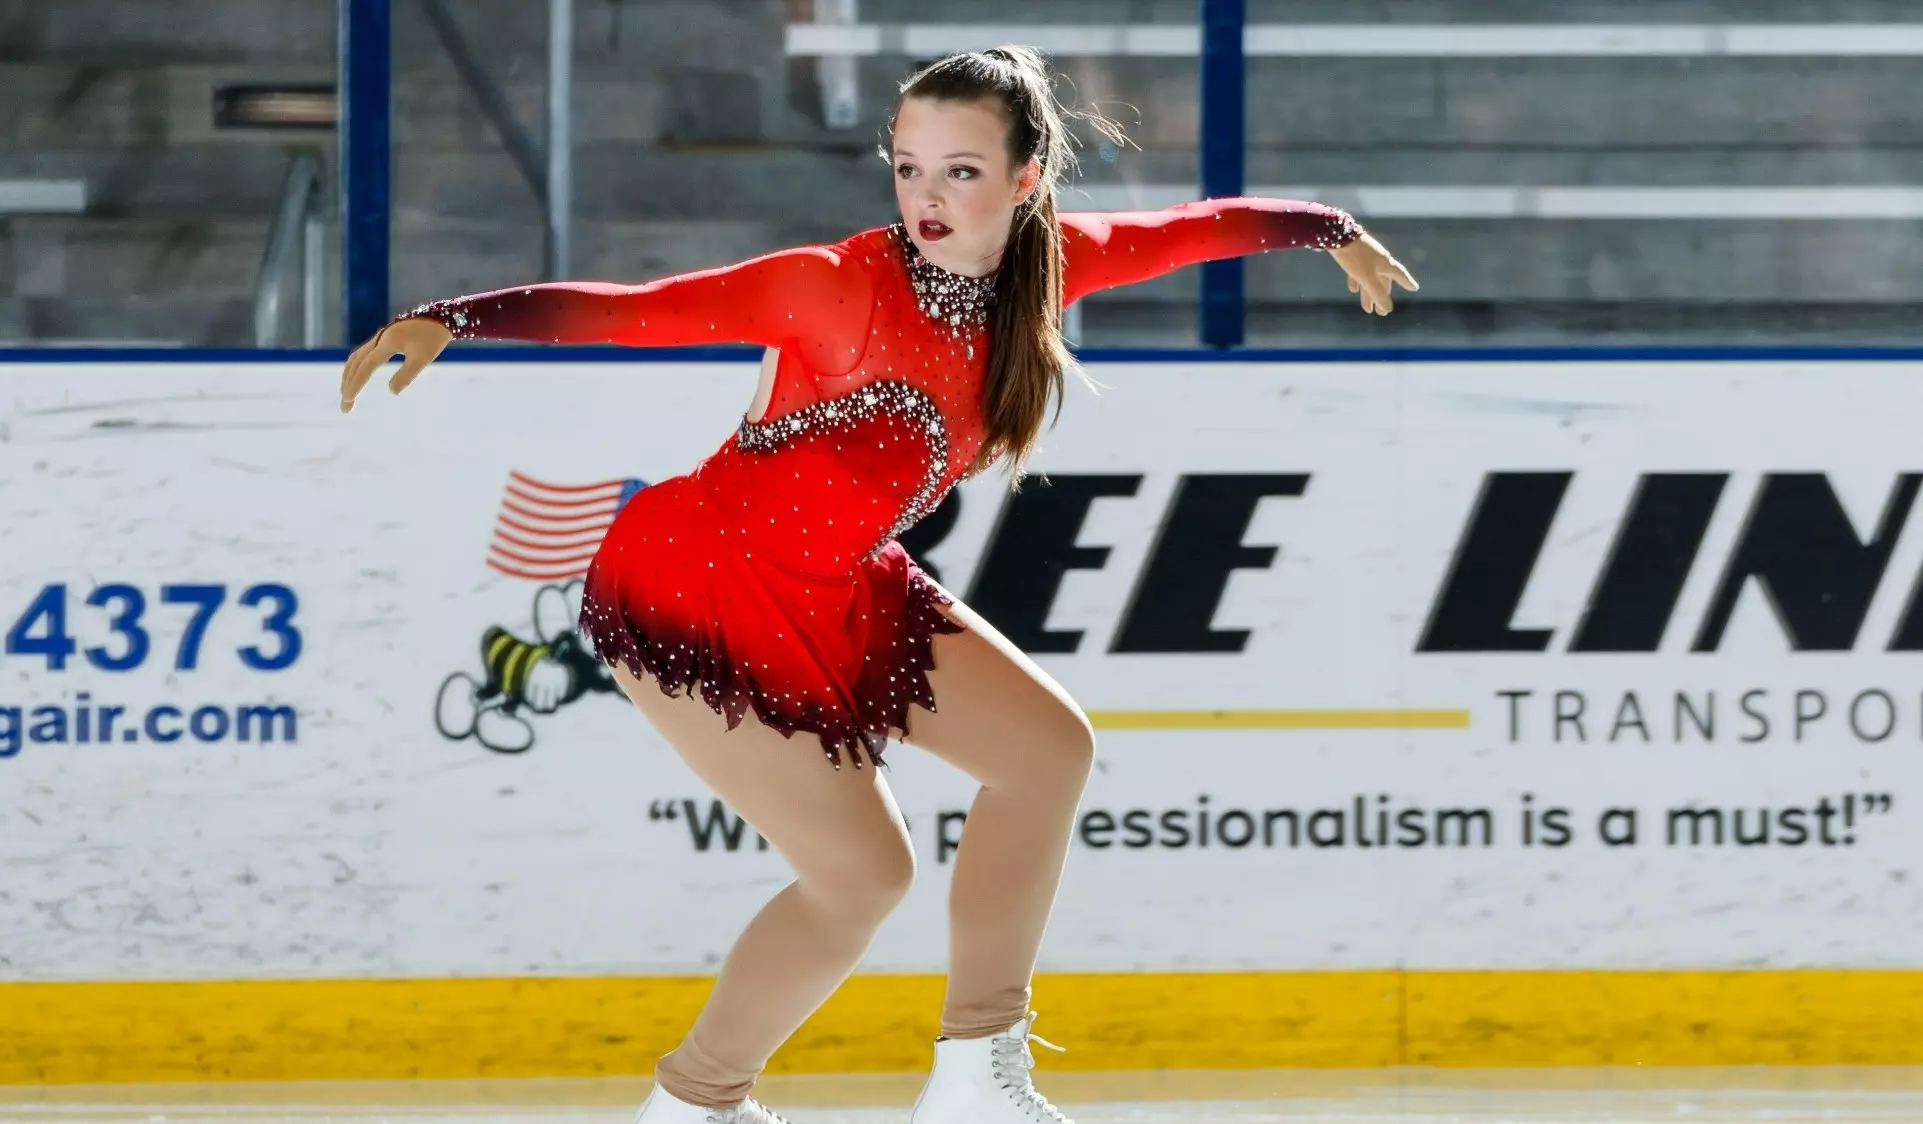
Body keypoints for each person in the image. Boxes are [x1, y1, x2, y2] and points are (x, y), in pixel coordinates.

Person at [339, 44, 1416, 1124]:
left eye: (959, 169)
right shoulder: (836, 284)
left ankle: (976, 1073)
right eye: (908, 167)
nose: (926, 196)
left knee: (1047, 752)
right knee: (862, 876)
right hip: (705, 580)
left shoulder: (1049, 269)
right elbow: (645, 308)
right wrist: (464, 313)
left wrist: (1331, 231)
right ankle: (696, 1101)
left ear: (1026, 176)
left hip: (845, 584)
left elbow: (1190, 230)